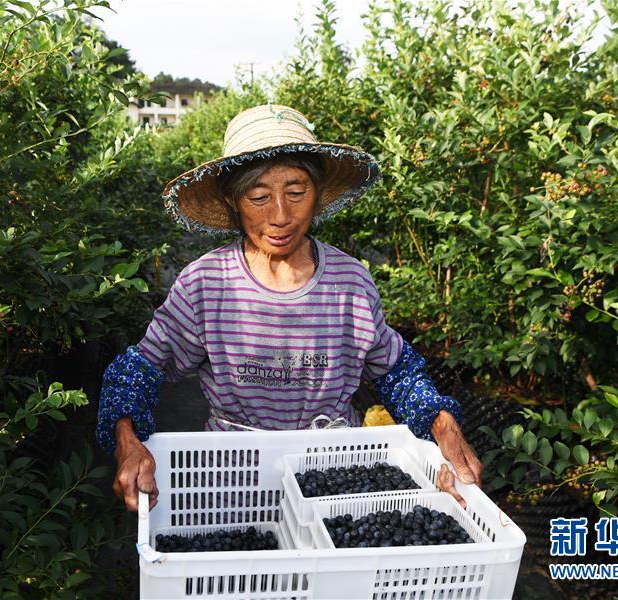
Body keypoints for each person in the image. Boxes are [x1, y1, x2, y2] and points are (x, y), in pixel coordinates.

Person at [97, 104, 482, 513]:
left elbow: (396, 370)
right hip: (233, 484)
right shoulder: (206, 285)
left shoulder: (350, 284)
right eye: (259, 196)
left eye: (296, 193)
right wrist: (127, 438)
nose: (280, 216)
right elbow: (140, 367)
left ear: (317, 195)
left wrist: (442, 423)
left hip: (336, 478)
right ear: (233, 200)